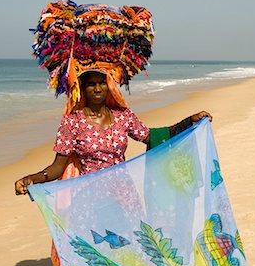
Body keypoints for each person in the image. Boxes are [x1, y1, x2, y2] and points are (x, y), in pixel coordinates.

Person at [15, 70, 212, 195]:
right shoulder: (72, 121)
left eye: (102, 82)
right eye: (91, 83)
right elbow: (57, 167)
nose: (97, 88)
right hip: (91, 196)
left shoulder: (123, 115)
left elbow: (151, 136)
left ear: (109, 87)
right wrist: (32, 178)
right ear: (83, 89)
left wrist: (189, 122)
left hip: (124, 193)